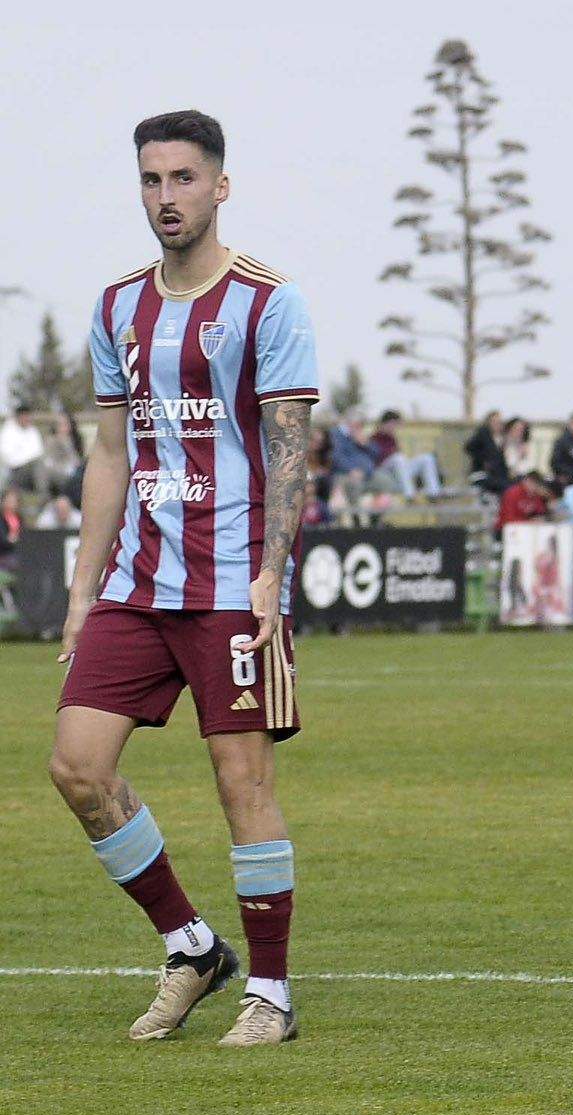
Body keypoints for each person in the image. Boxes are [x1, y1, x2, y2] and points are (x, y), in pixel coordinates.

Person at [51, 108, 316, 1048]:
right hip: (136, 582)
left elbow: (289, 446)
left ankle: (272, 995)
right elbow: (111, 452)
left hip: (232, 578)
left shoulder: (266, 301)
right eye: (152, 181)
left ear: (220, 185)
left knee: (240, 778)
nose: (167, 197)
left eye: (184, 179)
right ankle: (192, 946)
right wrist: (82, 596)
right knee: (78, 767)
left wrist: (270, 579)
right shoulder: (118, 305)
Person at [370, 409, 443, 498]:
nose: (395, 427)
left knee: (427, 458)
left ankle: (434, 493)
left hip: (399, 472)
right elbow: (376, 459)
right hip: (384, 472)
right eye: (394, 424)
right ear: (387, 423)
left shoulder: (392, 438)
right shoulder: (374, 438)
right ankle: (409, 495)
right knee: (398, 458)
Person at [1, 406, 48, 496]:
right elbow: (9, 459)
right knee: (37, 465)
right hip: (15, 472)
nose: (27, 419)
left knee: (45, 468)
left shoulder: (33, 431)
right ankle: (43, 495)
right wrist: (28, 458)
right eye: (24, 416)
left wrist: (25, 454)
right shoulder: (8, 431)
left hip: (33, 469)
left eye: (28, 416)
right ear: (18, 416)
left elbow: (39, 452)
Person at [465, 410, 509, 498]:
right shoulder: (482, 434)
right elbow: (468, 448)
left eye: (499, 422)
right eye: (494, 422)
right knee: (505, 487)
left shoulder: (501, 438)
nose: (497, 424)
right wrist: (484, 459)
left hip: (498, 476)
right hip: (482, 475)